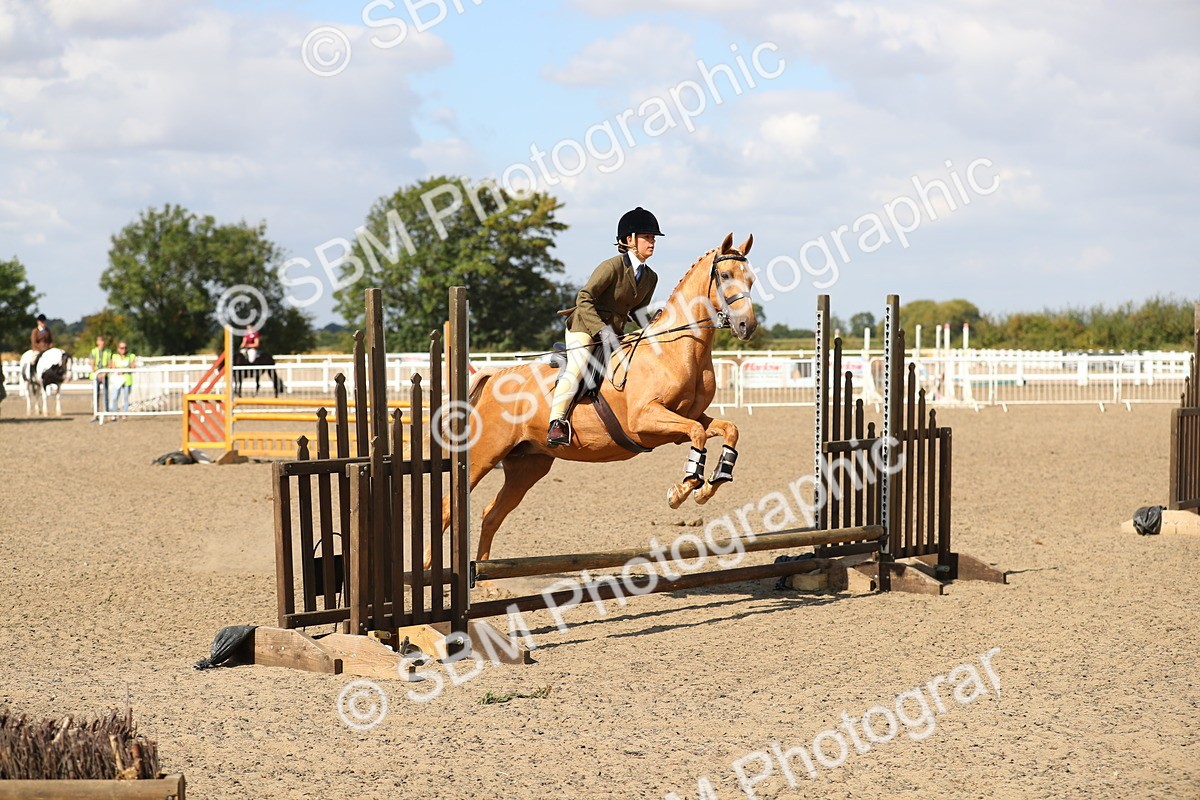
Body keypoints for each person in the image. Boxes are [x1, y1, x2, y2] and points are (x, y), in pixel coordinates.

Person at [547, 207, 662, 446]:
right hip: (585, 326)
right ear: (629, 240)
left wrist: (653, 327)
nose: (652, 242)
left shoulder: (651, 277)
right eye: (647, 237)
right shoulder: (611, 267)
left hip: (614, 333)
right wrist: (600, 329)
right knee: (578, 366)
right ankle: (556, 422)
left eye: (653, 238)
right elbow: (583, 298)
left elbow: (637, 312)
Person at [109, 341, 136, 420]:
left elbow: (133, 367)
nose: (123, 349)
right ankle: (114, 414)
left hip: (127, 380)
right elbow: (112, 367)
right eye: (121, 348)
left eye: (125, 348)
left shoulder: (130, 356)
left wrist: (124, 370)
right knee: (115, 397)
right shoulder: (114, 356)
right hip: (118, 380)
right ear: (118, 349)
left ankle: (125, 413)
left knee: (125, 398)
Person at [89, 335, 114, 421]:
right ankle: (95, 413)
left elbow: (110, 363)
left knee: (106, 394)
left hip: (105, 375)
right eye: (101, 341)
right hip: (96, 376)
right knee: (96, 394)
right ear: (97, 342)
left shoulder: (108, 352)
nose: (102, 343)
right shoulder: (94, 351)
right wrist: (98, 374)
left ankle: (107, 412)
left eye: (103, 341)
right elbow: (92, 364)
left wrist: (104, 373)